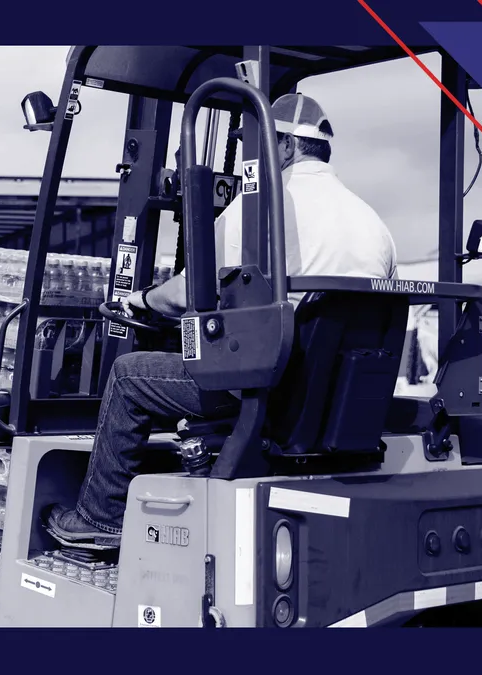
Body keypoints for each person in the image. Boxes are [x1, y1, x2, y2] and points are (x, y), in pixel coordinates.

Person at [47, 93, 399, 550]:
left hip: (267, 391)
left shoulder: (263, 207)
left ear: (287, 148)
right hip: (335, 403)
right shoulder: (374, 224)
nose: (255, 155)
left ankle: (100, 515)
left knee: (128, 375)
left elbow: (194, 288)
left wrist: (142, 300)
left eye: (262, 143)